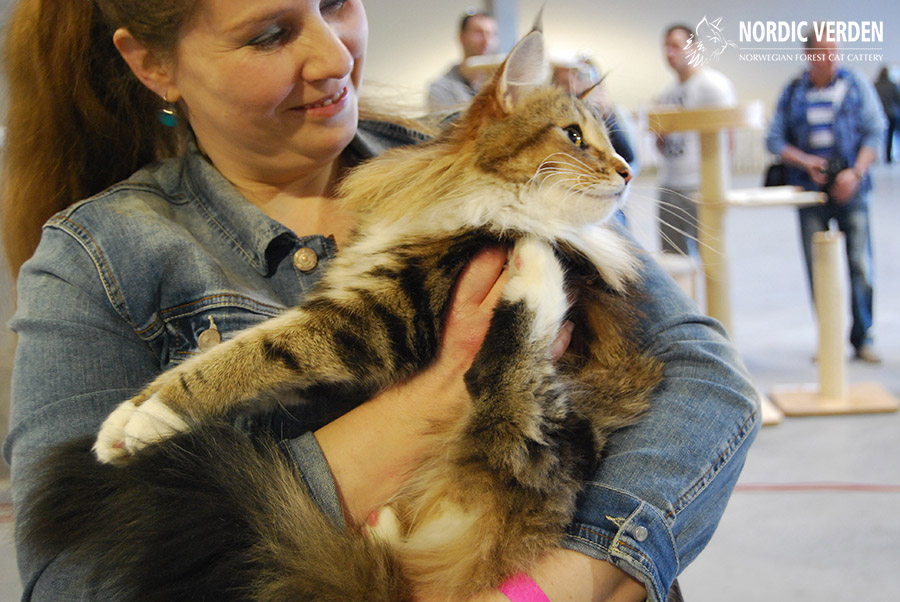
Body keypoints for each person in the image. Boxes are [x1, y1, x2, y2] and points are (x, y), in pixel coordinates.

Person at [1, 1, 760, 601]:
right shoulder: (98, 258)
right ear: (153, 63)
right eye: (269, 34)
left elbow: (707, 379)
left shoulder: (502, 161)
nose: (334, 57)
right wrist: (436, 397)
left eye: (337, 1)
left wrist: (556, 582)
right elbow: (76, 579)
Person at [765, 29, 886, 364]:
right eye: (824, 50)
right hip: (810, 193)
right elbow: (774, 140)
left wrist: (854, 173)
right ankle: (830, 339)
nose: (831, 56)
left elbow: (875, 132)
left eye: (835, 49)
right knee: (818, 268)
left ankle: (864, 337)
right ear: (809, 55)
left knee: (860, 265)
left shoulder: (856, 85)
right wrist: (807, 162)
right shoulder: (793, 92)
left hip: (853, 189)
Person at [654, 24, 736, 256]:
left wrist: (718, 187)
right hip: (670, 184)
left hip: (701, 186)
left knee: (711, 257)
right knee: (672, 260)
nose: (670, 53)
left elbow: (728, 139)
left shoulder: (713, 86)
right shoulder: (666, 93)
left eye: (676, 46)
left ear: (693, 48)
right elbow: (661, 145)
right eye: (666, 47)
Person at [551, 56, 638, 225]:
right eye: (563, 82)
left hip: (609, 193)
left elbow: (629, 156)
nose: (572, 86)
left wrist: (607, 114)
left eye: (578, 78)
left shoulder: (612, 113)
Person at [426, 9, 499, 113]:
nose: (486, 41)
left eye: (491, 34)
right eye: (478, 33)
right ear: (462, 37)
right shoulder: (441, 89)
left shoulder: (500, 84)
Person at [874, 66, 900, 163]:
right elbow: (898, 99)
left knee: (879, 136)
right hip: (892, 114)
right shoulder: (892, 85)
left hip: (880, 114)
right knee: (890, 136)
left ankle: (876, 156)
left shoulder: (876, 85)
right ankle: (888, 157)